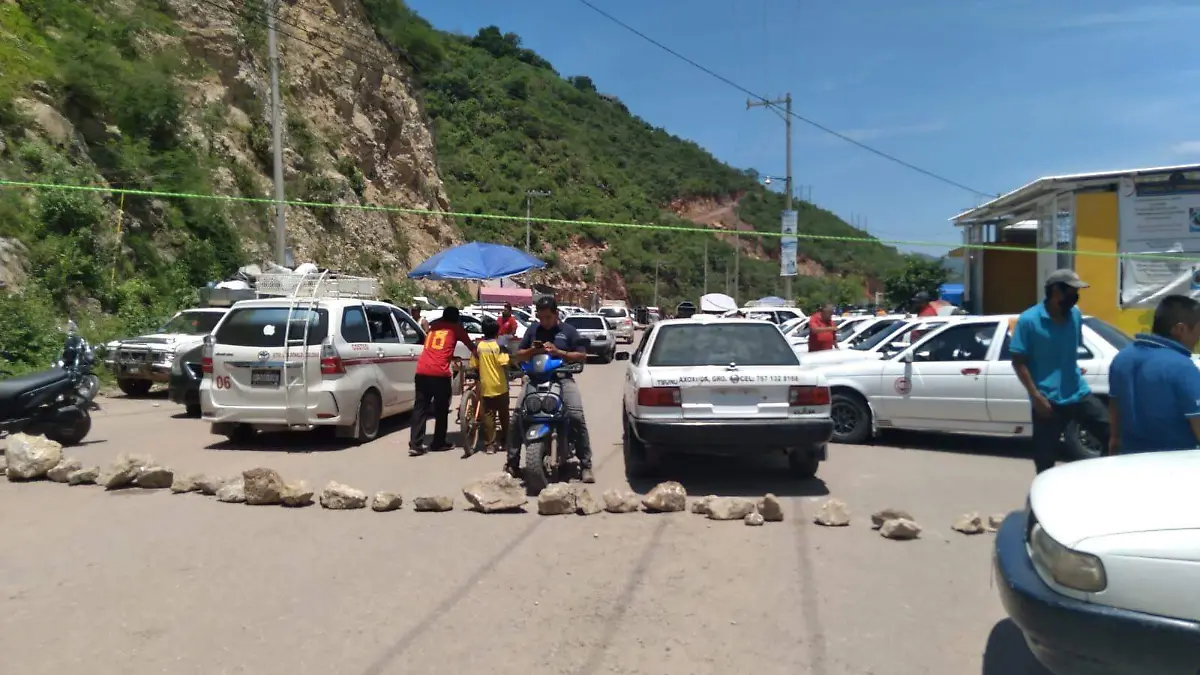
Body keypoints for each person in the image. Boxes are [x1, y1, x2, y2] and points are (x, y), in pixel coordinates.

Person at [1010, 269, 1110, 473]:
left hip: (1078, 393)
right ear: (1056, 290)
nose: (1076, 297)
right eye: (1072, 291)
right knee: (1045, 460)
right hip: (1047, 400)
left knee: (1113, 434)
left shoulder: (1075, 314)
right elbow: (1018, 362)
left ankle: (1104, 477)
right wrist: (1036, 396)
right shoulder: (1029, 320)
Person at [508, 296, 594, 483]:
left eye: (548, 317)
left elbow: (581, 354)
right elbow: (519, 355)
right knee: (517, 416)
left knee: (576, 416)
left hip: (562, 378)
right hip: (535, 378)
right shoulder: (533, 330)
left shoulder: (568, 331)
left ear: (556, 314)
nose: (544, 321)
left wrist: (559, 352)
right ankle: (512, 464)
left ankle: (586, 464)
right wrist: (533, 351)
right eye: (541, 317)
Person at [1107, 295, 1200, 454]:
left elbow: (1115, 406)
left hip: (1130, 461)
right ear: (1181, 329)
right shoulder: (1183, 368)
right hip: (1174, 466)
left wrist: (1114, 439)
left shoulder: (1121, 358)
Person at [410, 306, 475, 457]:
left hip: (421, 370)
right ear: (456, 318)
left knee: (420, 408)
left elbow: (437, 349)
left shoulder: (434, 327)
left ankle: (415, 444)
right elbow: (471, 346)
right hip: (439, 373)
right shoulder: (456, 328)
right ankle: (438, 442)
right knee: (441, 408)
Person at [469, 317, 511, 456]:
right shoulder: (499, 347)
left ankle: (490, 445)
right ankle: (506, 442)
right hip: (501, 387)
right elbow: (504, 362)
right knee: (504, 416)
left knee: (488, 418)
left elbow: (473, 365)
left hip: (486, 388)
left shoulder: (478, 347)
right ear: (497, 331)